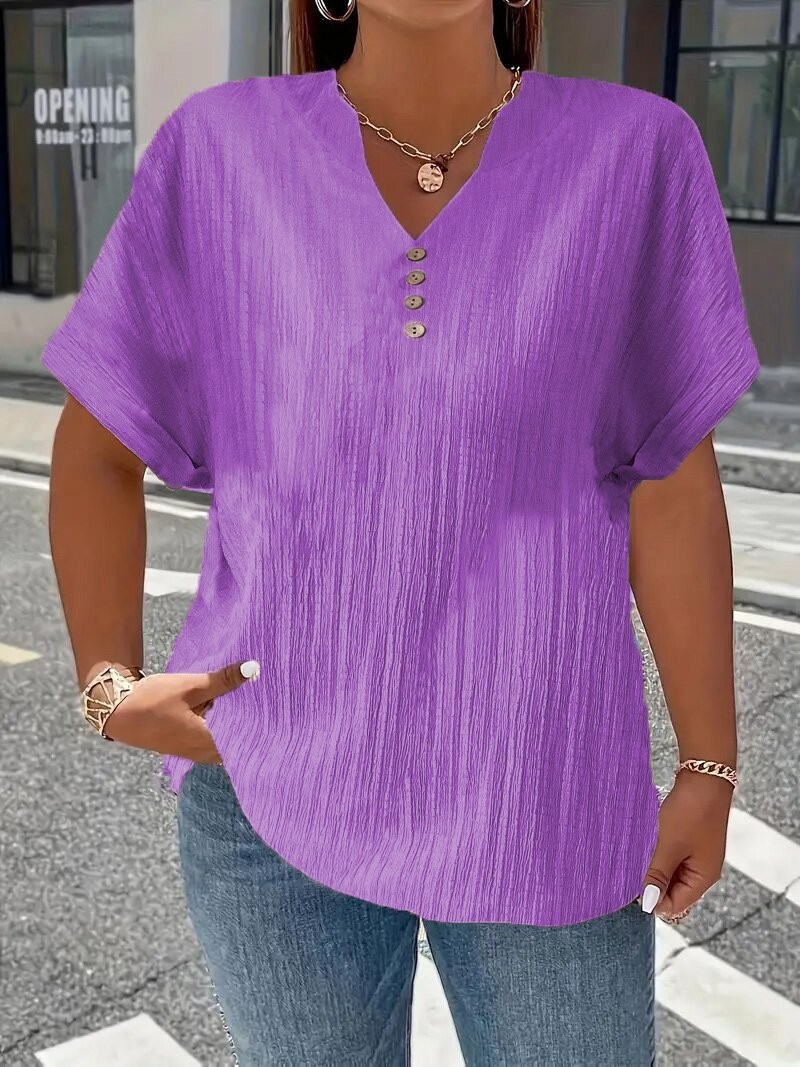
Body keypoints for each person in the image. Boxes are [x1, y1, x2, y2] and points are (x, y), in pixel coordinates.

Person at [41, 0, 758, 1063]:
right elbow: (97, 444)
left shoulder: (636, 155)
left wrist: (708, 764)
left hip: (543, 796)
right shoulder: (218, 153)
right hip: (269, 794)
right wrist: (108, 685)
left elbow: (672, 485)